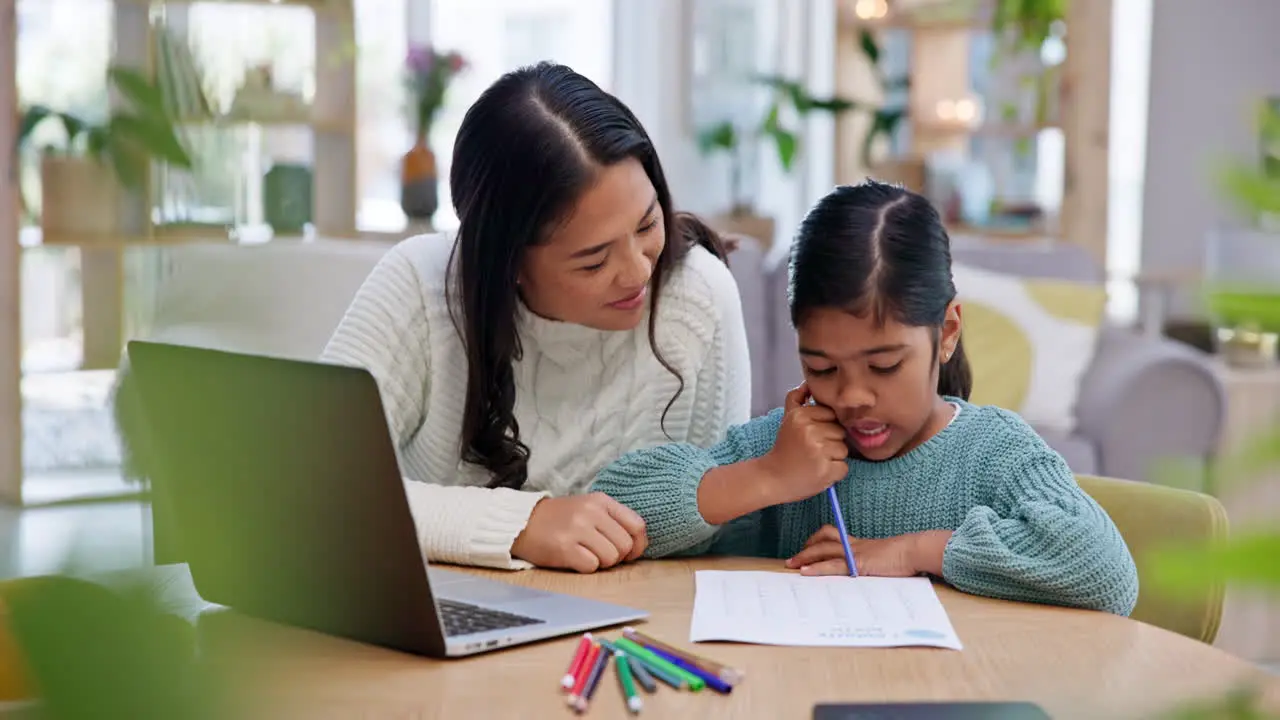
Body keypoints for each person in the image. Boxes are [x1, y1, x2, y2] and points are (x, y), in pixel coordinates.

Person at [591, 180, 1139, 616]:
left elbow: (1104, 570)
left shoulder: (991, 450)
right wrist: (766, 477)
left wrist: (913, 551)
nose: (851, 397)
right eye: (822, 367)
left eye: (884, 365)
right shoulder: (789, 452)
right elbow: (613, 506)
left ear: (946, 332)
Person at [318, 62, 751, 573]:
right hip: (441, 620)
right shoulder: (420, 285)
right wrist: (520, 524)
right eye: (593, 260)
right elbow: (306, 483)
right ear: (507, 261)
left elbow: (719, 523)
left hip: (634, 623)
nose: (637, 271)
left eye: (647, 223)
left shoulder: (698, 295)